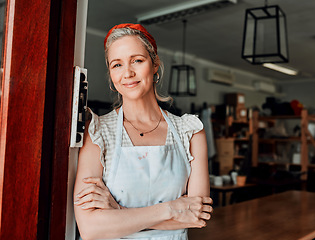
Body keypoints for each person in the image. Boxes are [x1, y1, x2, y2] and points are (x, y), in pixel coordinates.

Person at [74, 23, 213, 240]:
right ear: (111, 74)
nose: (127, 73)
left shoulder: (190, 131)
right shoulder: (98, 132)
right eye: (117, 65)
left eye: (137, 60)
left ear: (155, 64)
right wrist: (172, 209)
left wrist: (118, 213)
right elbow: (91, 228)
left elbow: (196, 216)